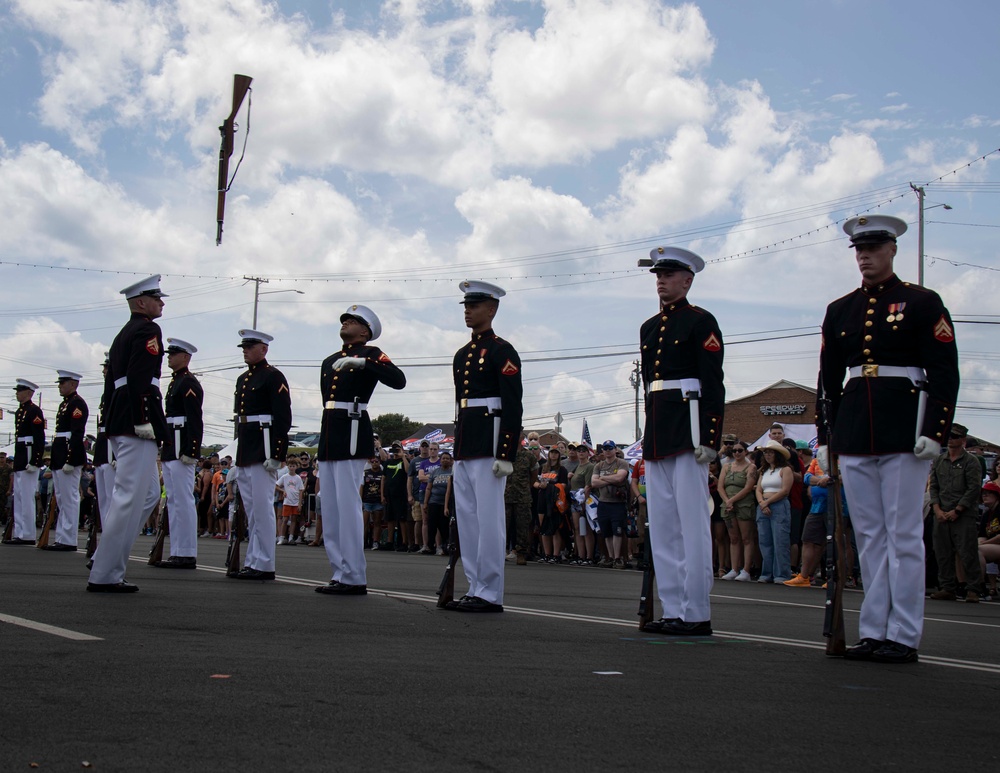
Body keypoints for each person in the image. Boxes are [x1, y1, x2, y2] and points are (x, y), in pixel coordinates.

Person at [817, 214, 960, 663]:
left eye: (874, 249)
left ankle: (903, 634)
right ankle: (874, 629)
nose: (865, 257)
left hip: (903, 426)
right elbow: (828, 379)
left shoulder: (920, 302)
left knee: (901, 536)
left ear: (892, 250)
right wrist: (828, 435)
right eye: (859, 251)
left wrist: (934, 431)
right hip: (857, 427)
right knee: (870, 537)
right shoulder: (840, 309)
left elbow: (943, 372)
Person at [637, 247, 725, 636]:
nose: (661, 280)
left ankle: (696, 610)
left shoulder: (700, 321)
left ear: (687, 280)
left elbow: (713, 384)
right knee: (664, 527)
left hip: (689, 430)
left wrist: (710, 437)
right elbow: (648, 387)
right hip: (659, 429)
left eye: (669, 274)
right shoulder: (649, 327)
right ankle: (672, 607)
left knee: (692, 524)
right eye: (658, 274)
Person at [314, 305, 405, 596]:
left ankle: (354, 575)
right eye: (344, 320)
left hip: (352, 431)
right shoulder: (329, 360)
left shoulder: (371, 353)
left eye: (352, 321)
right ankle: (339, 571)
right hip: (330, 432)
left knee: (347, 505)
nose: (346, 324)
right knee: (328, 506)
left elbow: (398, 380)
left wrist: (365, 365)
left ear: (364, 331)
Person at [444, 280, 522, 613]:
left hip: (489, 444)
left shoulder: (502, 350)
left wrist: (506, 453)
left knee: (489, 522)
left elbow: (513, 404)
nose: (467, 311)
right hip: (466, 442)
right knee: (469, 521)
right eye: (465, 306)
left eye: (473, 306)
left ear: (490, 309)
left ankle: (490, 592)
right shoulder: (462, 354)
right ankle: (474, 587)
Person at [88, 275, 169, 592]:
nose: (161, 303)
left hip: (121, 417)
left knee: (144, 495)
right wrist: (142, 420)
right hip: (136, 420)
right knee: (127, 498)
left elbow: (114, 386)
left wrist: (111, 423)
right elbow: (139, 378)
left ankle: (109, 561)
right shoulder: (148, 329)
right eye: (156, 298)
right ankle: (105, 573)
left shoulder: (123, 334)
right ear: (141, 302)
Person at [229, 329, 293, 582]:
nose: (244, 350)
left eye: (250, 346)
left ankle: (264, 563)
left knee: (263, 507)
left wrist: (277, 453)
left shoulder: (273, 376)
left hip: (263, 445)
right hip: (247, 444)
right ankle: (253, 560)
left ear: (264, 349)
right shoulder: (243, 378)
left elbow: (283, 417)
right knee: (252, 508)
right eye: (243, 347)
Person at [154, 338, 204, 569]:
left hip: (181, 445)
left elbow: (194, 420)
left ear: (185, 357)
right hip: (171, 445)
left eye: (173, 354)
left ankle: (186, 552)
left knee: (183, 500)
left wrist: (191, 450)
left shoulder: (189, 383)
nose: (169, 357)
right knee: (173, 500)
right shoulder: (175, 382)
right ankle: (177, 550)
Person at [928, 423, 985, 603]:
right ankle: (947, 587)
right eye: (949, 436)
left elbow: (974, 489)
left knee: (967, 552)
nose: (951, 439)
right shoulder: (939, 460)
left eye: (954, 436)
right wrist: (937, 508)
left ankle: (973, 589)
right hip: (942, 512)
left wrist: (957, 510)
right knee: (942, 552)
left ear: (962, 440)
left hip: (963, 514)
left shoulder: (971, 462)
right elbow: (934, 486)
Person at [43, 370, 89, 552]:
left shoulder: (77, 404)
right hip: (60, 452)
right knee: (62, 498)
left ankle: (69, 539)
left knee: (69, 497)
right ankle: (62, 536)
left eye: (63, 383)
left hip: (69, 454)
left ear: (73, 384)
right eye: (60, 383)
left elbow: (77, 434)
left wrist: (71, 459)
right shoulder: (66, 404)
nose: (60, 386)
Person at [4, 379, 44, 545]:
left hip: (28, 453)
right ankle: (20, 532)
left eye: (20, 391)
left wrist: (35, 460)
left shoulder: (34, 411)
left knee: (26, 496)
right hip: (21, 453)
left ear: (29, 393)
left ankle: (27, 534)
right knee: (19, 495)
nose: (17, 393)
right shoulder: (21, 411)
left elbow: (38, 437)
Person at [755, 439, 794, 583]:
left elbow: (785, 490)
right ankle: (767, 572)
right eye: (765, 453)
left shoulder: (785, 470)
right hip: (763, 506)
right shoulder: (764, 471)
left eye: (770, 452)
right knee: (765, 541)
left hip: (779, 506)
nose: (767, 455)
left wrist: (767, 502)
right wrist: (762, 503)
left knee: (780, 540)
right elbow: (758, 489)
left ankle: (782, 573)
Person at [718, 440, 756, 581]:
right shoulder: (727, 467)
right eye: (734, 451)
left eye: (740, 450)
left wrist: (732, 500)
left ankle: (745, 570)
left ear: (746, 452)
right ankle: (734, 568)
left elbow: (748, 487)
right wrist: (727, 501)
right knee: (733, 538)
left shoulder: (751, 467)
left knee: (746, 537)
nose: (737, 453)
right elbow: (720, 486)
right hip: (728, 505)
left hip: (744, 504)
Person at [505, 433, 538, 565]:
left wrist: (526, 487)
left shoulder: (528, 456)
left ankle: (521, 553)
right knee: (502, 526)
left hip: (522, 497)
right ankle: (501, 551)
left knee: (523, 527)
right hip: (505, 496)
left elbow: (534, 474)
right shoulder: (505, 454)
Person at [534, 446, 570, 563]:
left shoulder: (562, 469)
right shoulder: (543, 467)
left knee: (555, 528)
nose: (553, 455)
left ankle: (556, 554)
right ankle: (547, 554)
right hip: (542, 499)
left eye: (556, 453)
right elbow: (534, 481)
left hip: (554, 500)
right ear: (548, 454)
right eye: (552, 453)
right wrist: (540, 486)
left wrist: (549, 486)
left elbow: (564, 485)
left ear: (559, 455)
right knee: (543, 528)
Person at [424, 450, 455, 555]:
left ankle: (445, 546)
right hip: (434, 502)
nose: (445, 460)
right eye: (443, 458)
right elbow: (428, 488)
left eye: (447, 458)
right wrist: (425, 503)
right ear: (440, 460)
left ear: (451, 461)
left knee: (444, 526)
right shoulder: (435, 472)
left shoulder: (452, 472)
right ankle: (430, 547)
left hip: (446, 504)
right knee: (432, 525)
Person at [380, 442, 410, 549]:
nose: (395, 451)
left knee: (402, 519)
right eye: (394, 449)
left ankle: (404, 542)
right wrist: (382, 495)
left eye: (397, 449)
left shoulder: (404, 461)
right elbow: (383, 479)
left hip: (401, 494)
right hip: (389, 494)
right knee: (390, 519)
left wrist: (403, 457)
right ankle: (389, 541)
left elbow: (407, 470)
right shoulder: (388, 462)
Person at [977, 481, 1000, 600]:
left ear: (996, 495)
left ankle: (981, 588)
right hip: (994, 546)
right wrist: (981, 542)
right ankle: (977, 586)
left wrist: (984, 544)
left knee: (979, 550)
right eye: (983, 493)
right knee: (976, 549)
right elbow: (982, 534)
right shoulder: (987, 514)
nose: (984, 495)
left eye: (988, 493)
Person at [276, 459, 304, 545]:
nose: (292, 468)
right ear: (288, 466)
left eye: (293, 466)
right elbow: (276, 485)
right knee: (285, 519)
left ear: (296, 467)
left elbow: (301, 490)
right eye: (290, 466)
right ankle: (281, 537)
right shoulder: (285, 477)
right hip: (287, 501)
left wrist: (299, 503)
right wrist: (283, 491)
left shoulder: (298, 478)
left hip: (295, 502)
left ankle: (291, 537)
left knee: (294, 519)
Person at [361, 456, 384, 549]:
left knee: (377, 522)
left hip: (377, 501)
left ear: (379, 462)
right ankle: (363, 541)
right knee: (364, 522)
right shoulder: (365, 473)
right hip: (367, 500)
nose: (374, 463)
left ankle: (375, 541)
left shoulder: (382, 474)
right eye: (373, 461)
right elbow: (361, 487)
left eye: (376, 461)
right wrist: (360, 499)